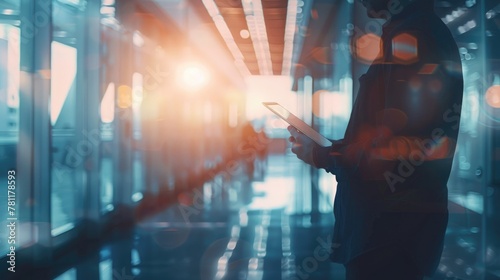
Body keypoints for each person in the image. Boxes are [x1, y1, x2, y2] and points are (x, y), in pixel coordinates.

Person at [288, 0, 463, 279]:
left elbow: (394, 150)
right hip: (386, 234)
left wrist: (322, 155)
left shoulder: (414, 39)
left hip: (387, 238)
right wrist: (331, 149)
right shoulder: (410, 35)